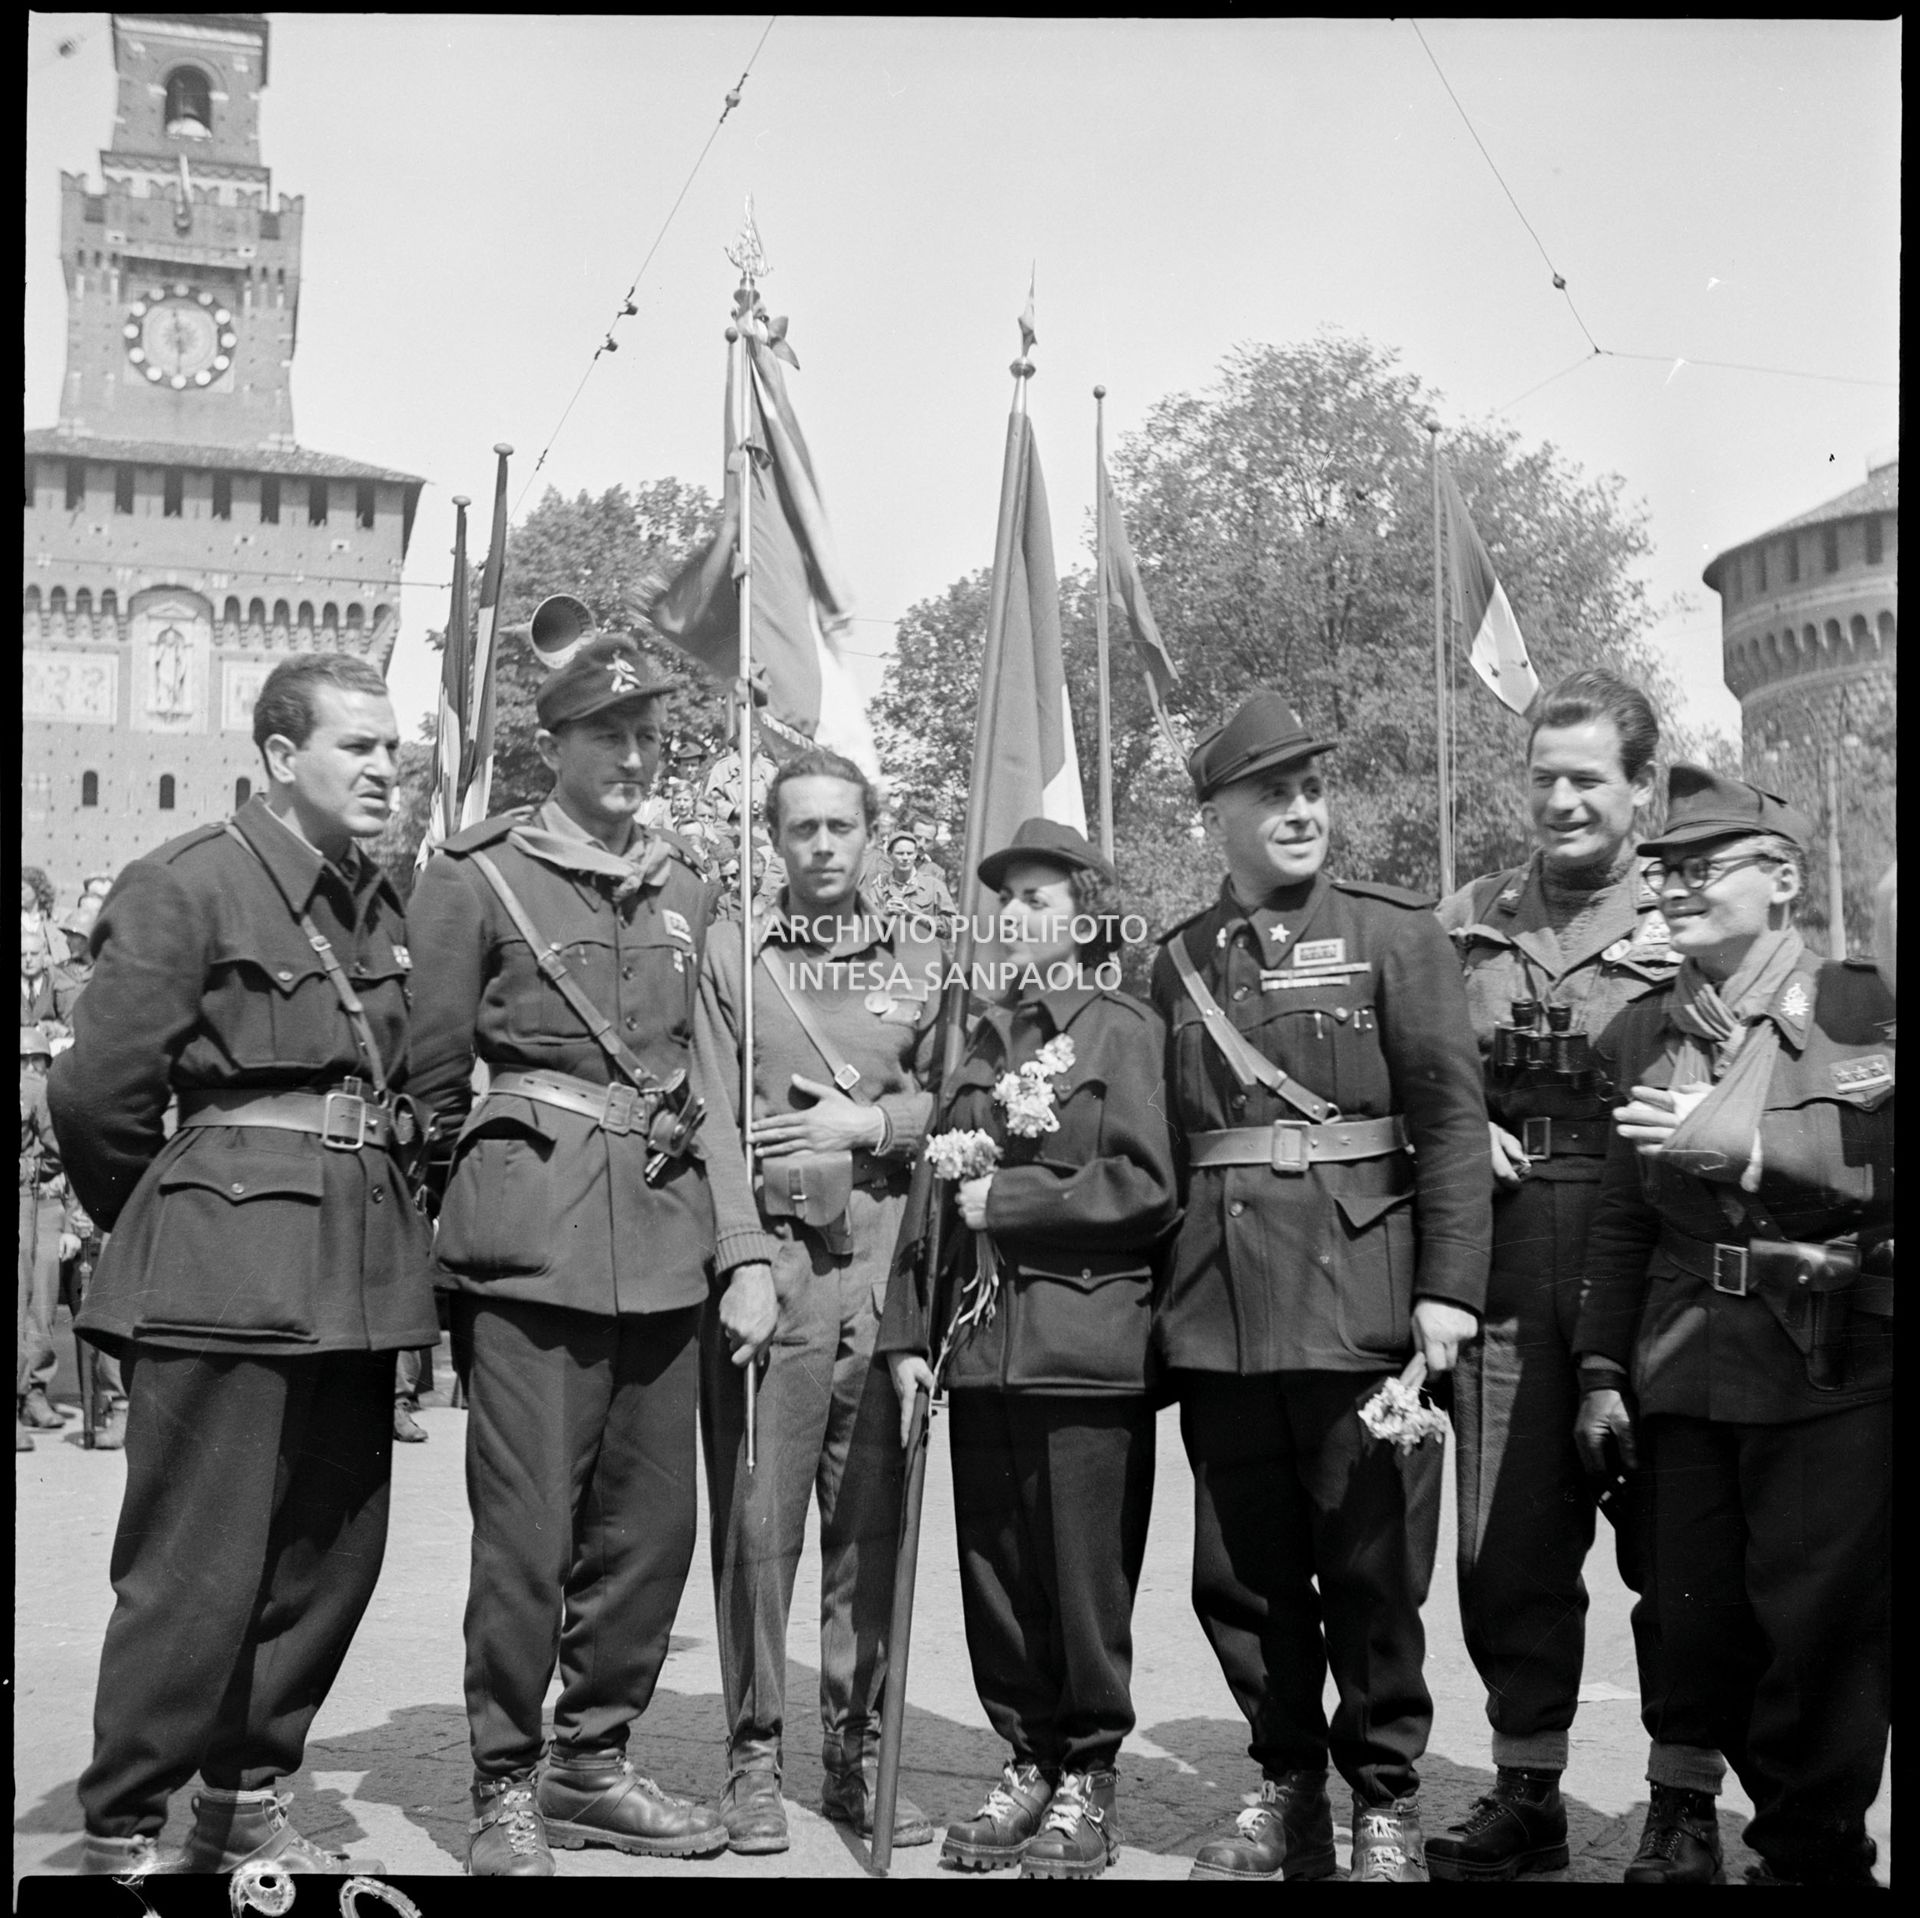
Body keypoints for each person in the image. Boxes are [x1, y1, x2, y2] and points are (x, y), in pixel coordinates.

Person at [49, 651, 440, 1878]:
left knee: (331, 1555)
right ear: (280, 756)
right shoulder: (190, 884)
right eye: (357, 747)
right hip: (224, 1269)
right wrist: (181, 1223)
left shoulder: (371, 904)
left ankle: (243, 1792)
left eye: (393, 748)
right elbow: (99, 1093)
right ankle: (121, 1824)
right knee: (195, 1567)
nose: (386, 768)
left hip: (357, 1272)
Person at [408, 635, 776, 1878]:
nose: (634, 756)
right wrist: (465, 1238)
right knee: (525, 1532)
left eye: (651, 736)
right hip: (530, 1246)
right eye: (608, 734)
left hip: (666, 1241)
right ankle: (503, 1781)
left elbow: (714, 1084)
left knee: (651, 1527)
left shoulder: (691, 889)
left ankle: (592, 1760)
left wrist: (742, 1249)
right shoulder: (476, 876)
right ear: (552, 746)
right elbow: (429, 1084)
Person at [1153, 691, 1490, 1883]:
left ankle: (1384, 1798)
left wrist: (1450, 1287)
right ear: (1219, 817)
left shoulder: (1396, 933)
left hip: (1362, 1307)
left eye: (1310, 788)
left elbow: (1452, 1123)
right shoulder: (1180, 959)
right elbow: (1169, 1139)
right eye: (1270, 792)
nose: (1300, 809)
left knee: (1372, 1573)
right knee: (1240, 1579)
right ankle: (1285, 1782)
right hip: (1224, 1313)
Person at [1571, 767, 1892, 1889]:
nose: (1674, 889)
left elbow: (1881, 1173)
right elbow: (1621, 1223)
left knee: (1821, 1638)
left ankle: (1814, 1858)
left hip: (1825, 1364)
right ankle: (1756, 1828)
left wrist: (1745, 1147)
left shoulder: (1858, 1004)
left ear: (1785, 878)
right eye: (1663, 870)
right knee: (1699, 1626)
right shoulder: (1642, 1028)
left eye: (1704, 868)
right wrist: (1603, 1370)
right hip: (1686, 1364)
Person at [1426, 670, 1715, 1882]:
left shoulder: (1692, 914)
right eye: (1543, 775)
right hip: (1505, 1252)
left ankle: (1685, 1801)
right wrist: (1441, 1132)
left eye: (1587, 778)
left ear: (1641, 789)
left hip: (1647, 1244)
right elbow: (1411, 1068)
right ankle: (1527, 1785)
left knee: (1680, 1541)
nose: (1560, 799)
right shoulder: (1467, 918)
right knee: (1508, 1541)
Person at [880, 818, 1179, 1878]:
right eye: (1005, 900)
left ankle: (1089, 1772)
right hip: (983, 1348)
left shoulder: (1124, 1032)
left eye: (1042, 898)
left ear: (1089, 914)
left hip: (1086, 1346)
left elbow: (1147, 1187)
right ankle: (1026, 1758)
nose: (1017, 916)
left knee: (1082, 1579)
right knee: (996, 1573)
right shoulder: (980, 1038)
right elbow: (931, 1196)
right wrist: (908, 1337)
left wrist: (1008, 1196)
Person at [696, 745, 944, 1855]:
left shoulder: (925, 958)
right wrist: (742, 1255)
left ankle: (855, 1749)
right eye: (802, 829)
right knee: (759, 1526)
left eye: (843, 826)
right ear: (775, 839)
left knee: (869, 1529)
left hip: (885, 1274)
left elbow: (962, 1100)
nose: (824, 846)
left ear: (872, 833)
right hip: (780, 1274)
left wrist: (875, 1126)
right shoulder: (734, 957)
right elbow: (705, 1110)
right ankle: (754, 1756)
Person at [18, 1026, 79, 1448]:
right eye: (26, 1063)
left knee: (41, 1302)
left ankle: (34, 1392)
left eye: (37, 1062)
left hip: (40, 1201)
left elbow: (66, 1152)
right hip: (29, 1196)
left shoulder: (44, 1095)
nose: (32, 1070)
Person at [876, 828, 958, 933]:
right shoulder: (877, 885)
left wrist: (913, 916)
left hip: (921, 946)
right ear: (889, 854)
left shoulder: (934, 885)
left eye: (909, 853)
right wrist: (884, 914)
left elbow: (951, 927)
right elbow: (859, 925)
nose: (905, 858)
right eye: (900, 853)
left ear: (915, 854)